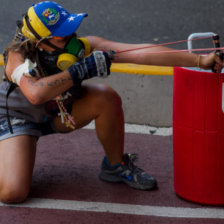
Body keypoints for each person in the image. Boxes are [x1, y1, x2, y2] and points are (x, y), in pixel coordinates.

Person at [0, 1, 223, 204]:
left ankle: (115, 166)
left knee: (105, 97)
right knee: (13, 193)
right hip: (19, 119)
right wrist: (80, 71)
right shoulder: (16, 57)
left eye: (69, 27)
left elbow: (139, 53)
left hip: (60, 113)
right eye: (61, 35)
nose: (71, 36)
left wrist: (200, 60)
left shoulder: (83, 46)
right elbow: (35, 94)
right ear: (38, 42)